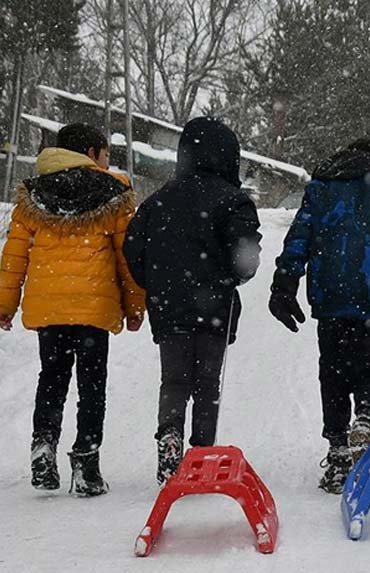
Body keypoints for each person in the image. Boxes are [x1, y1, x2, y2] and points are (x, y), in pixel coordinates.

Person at [269, 138, 370, 494]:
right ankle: (366, 417)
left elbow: (299, 238)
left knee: (334, 371)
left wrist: (284, 284)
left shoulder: (321, 188)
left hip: (331, 295)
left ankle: (338, 452)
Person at [0, 123, 145, 496]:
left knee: (52, 377)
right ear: (92, 153)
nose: (108, 159)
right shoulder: (113, 192)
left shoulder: (33, 196)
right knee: (92, 385)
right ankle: (86, 465)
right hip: (93, 307)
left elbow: (14, 257)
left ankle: (43, 446)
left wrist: (4, 304)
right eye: (106, 153)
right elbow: (125, 257)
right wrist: (134, 305)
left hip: (49, 307)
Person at [124, 117, 261, 484]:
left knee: (173, 380)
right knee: (206, 383)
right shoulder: (233, 201)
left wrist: (155, 283)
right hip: (215, 307)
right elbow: (245, 261)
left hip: (169, 307)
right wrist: (233, 276)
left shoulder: (158, 201)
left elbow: (133, 251)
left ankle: (169, 437)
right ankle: (201, 453)